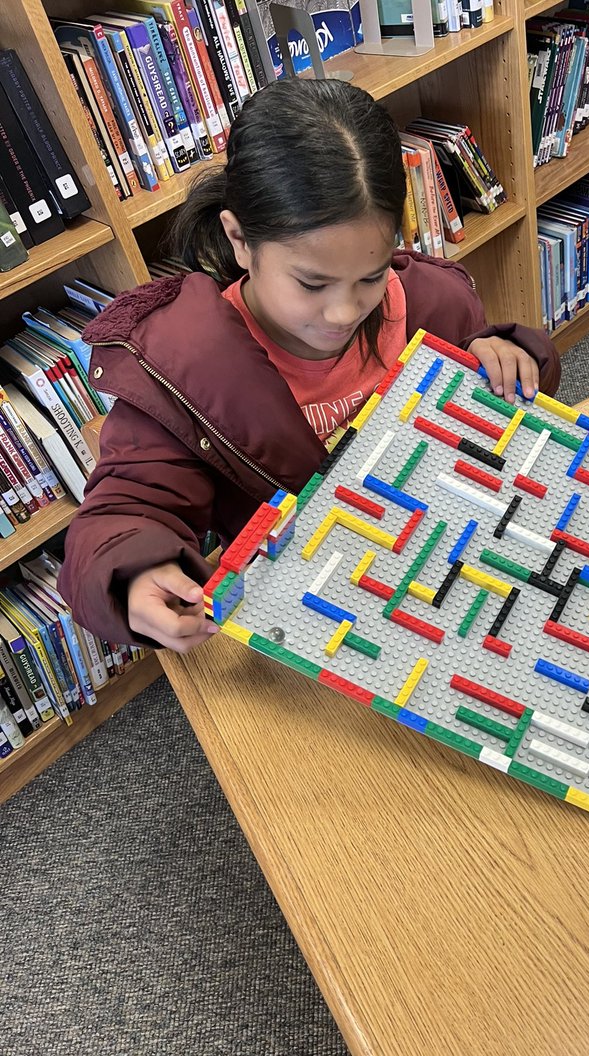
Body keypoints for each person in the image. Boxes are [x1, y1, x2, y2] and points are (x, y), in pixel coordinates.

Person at [59, 78, 560, 653]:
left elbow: (492, 412)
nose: (344, 311)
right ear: (240, 240)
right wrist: (130, 573)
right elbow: (127, 505)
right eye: (311, 283)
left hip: (443, 562)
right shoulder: (185, 374)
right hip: (310, 610)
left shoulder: (432, 305)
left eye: (371, 276)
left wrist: (516, 359)